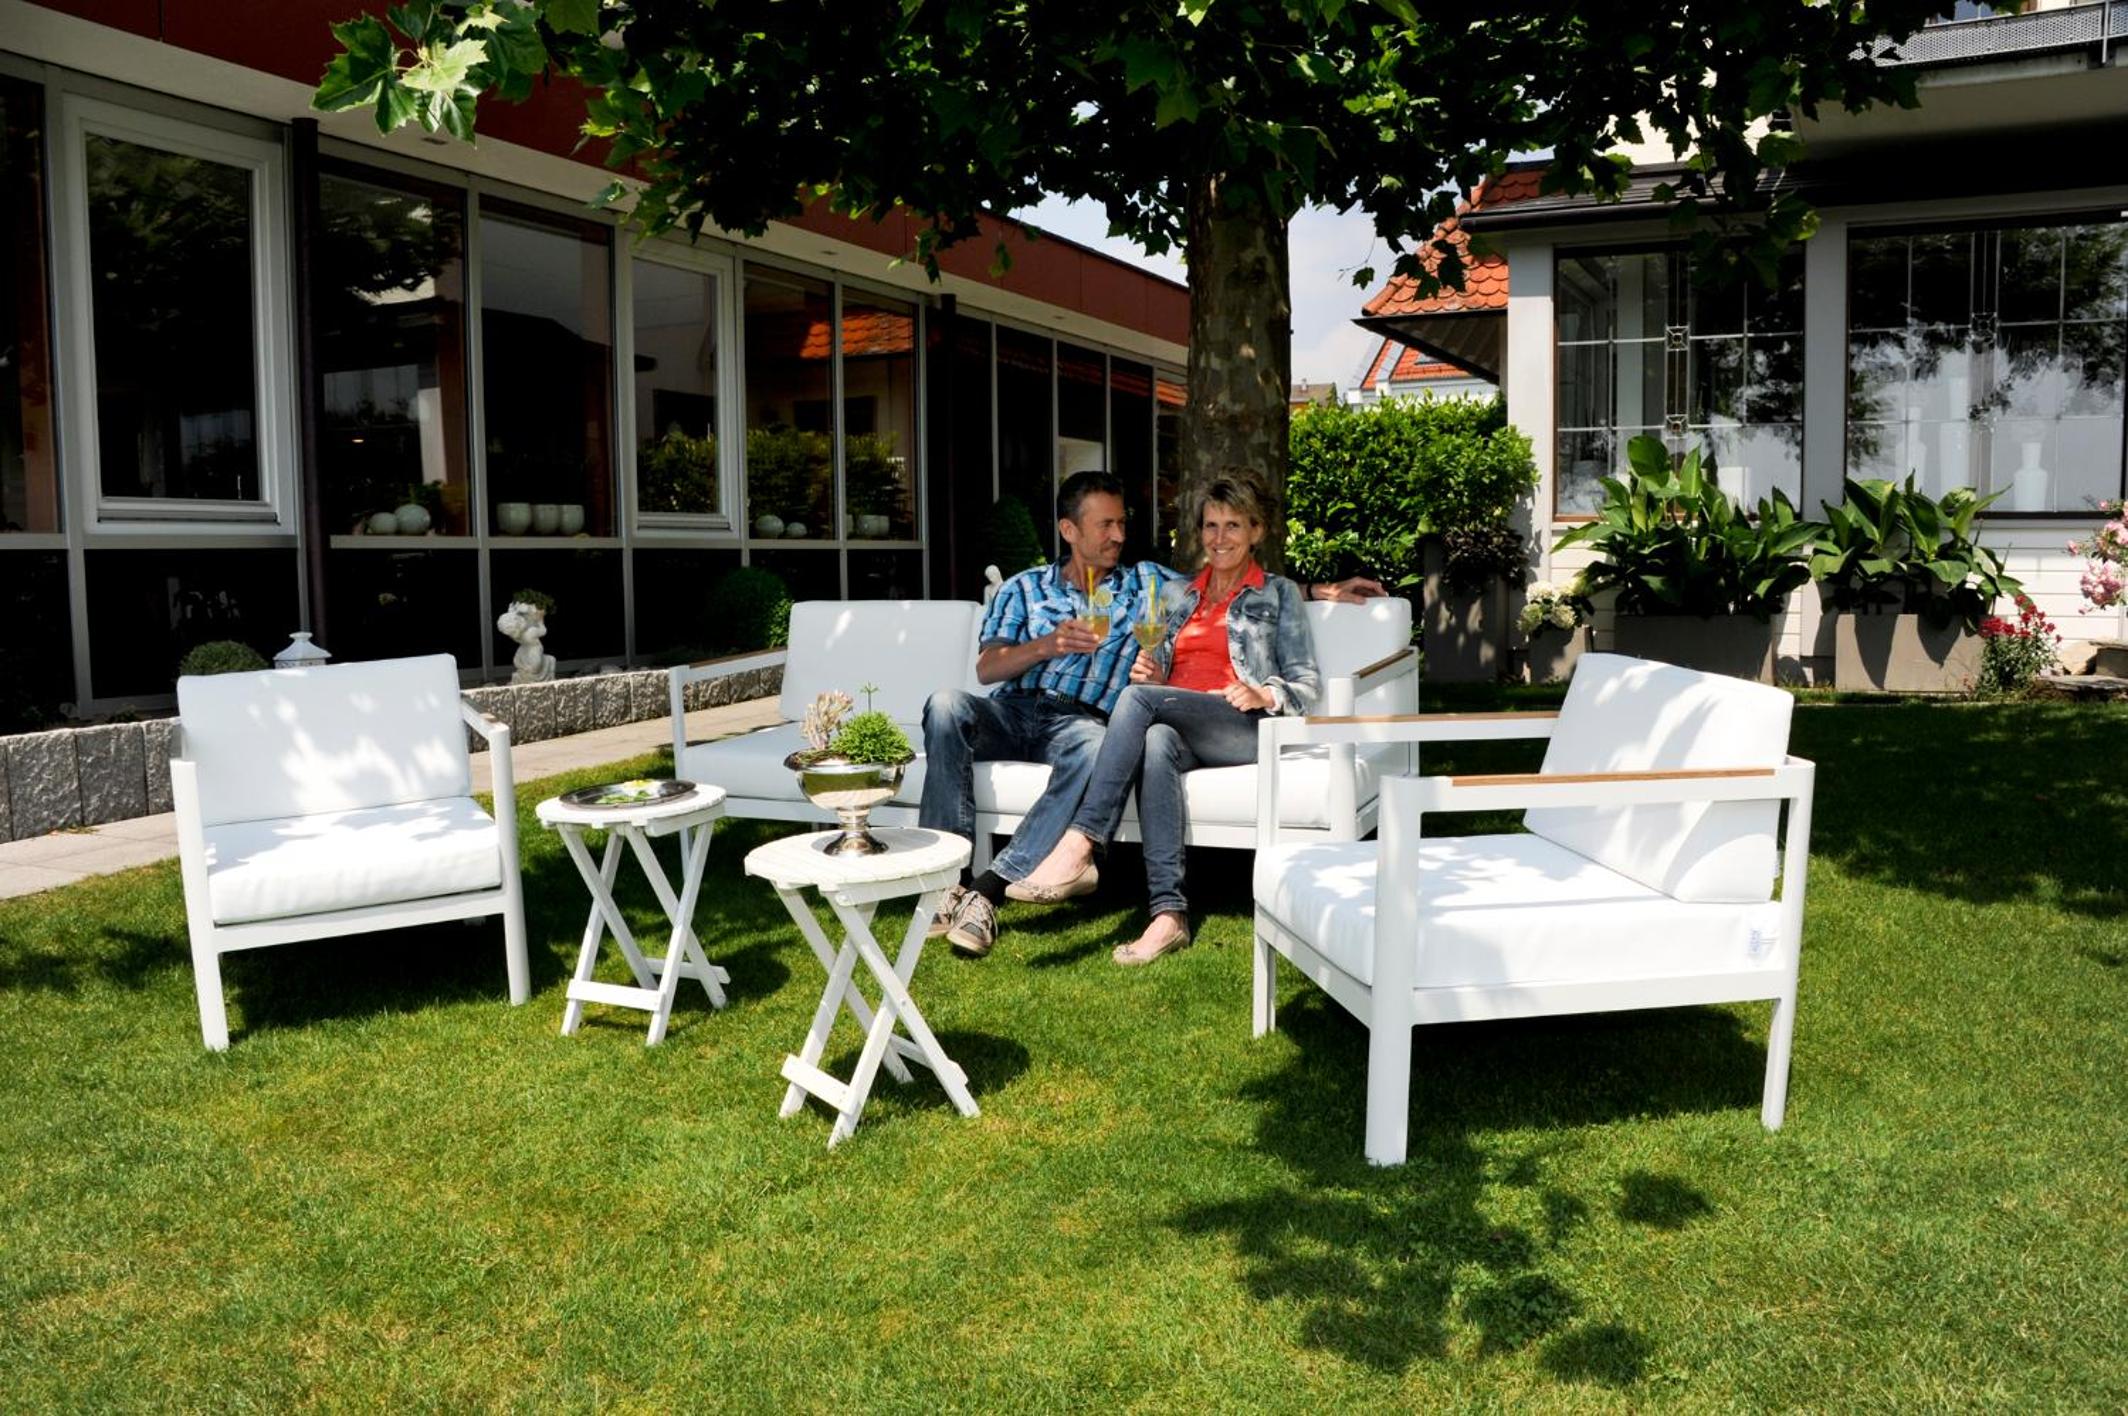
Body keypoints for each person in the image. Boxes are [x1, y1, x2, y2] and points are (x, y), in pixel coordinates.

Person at [922, 470, 1384, 958]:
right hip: (1023, 711)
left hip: (1137, 720)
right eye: (1105, 525)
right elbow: (987, 669)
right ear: (1069, 530)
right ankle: (1163, 914)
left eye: (1121, 523)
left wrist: (1315, 600)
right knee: (949, 704)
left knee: (1128, 710)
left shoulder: (1152, 583)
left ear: (1256, 530)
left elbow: (1267, 617)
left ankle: (1055, 858)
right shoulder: (1050, 590)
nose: (1118, 535)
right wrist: (1054, 646)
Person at [1012, 472, 1318, 965]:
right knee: (1155, 739)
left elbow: (1305, 684)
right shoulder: (1179, 595)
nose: (1219, 538)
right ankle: (1168, 916)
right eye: (1211, 526)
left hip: (1242, 724)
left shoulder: (1277, 594)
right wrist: (1157, 674)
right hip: (1181, 722)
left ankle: (1082, 842)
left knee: (1137, 700)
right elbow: (1165, 669)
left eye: (1233, 525)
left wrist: (1263, 691)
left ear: (1256, 532)